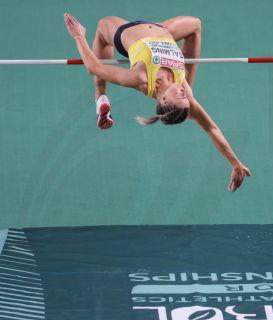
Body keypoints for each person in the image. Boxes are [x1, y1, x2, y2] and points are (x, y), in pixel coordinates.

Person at [63, 13, 250, 192]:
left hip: (129, 32)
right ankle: (183, 74)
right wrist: (235, 163)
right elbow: (212, 129)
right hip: (162, 31)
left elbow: (94, 67)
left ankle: (101, 98)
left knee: (103, 26)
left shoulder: (143, 79)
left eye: (182, 96)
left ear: (165, 99)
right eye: (186, 95)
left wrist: (79, 37)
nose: (184, 91)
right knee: (195, 25)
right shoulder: (180, 84)